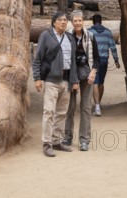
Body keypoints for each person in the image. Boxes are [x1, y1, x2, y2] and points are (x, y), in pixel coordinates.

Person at [33, 12, 79, 157]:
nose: (63, 22)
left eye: (65, 20)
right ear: (54, 22)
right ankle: (47, 143)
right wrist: (37, 78)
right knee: (49, 112)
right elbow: (38, 58)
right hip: (51, 80)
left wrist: (74, 80)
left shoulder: (70, 38)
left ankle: (57, 141)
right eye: (60, 20)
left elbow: (73, 62)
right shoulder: (46, 36)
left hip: (66, 81)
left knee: (61, 113)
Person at [64, 11, 99, 151]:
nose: (77, 22)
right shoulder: (67, 37)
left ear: (83, 21)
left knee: (85, 107)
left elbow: (97, 57)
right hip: (71, 75)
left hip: (87, 74)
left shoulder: (90, 36)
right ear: (72, 22)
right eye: (75, 20)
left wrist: (93, 72)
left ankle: (84, 139)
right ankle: (67, 136)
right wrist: (71, 78)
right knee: (70, 107)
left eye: (80, 20)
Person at [89, 13, 120, 115]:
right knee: (101, 82)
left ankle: (97, 106)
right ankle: (98, 104)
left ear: (93, 21)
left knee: (95, 82)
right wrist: (116, 60)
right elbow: (113, 47)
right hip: (104, 60)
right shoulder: (107, 32)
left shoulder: (89, 32)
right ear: (101, 21)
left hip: (94, 60)